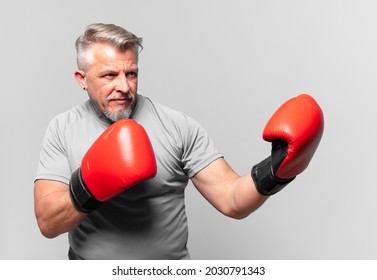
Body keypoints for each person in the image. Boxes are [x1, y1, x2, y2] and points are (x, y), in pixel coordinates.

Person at [34, 23, 324, 260]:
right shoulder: (62, 129)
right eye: (109, 75)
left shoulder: (177, 126)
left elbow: (232, 199)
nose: (123, 86)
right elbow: (48, 223)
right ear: (81, 78)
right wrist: (90, 184)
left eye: (131, 73)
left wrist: (277, 170)